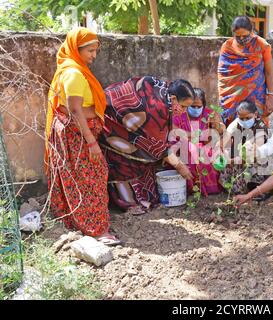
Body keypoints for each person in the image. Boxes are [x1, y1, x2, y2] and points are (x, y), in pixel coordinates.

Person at [45, 27, 119, 245]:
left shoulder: (75, 70)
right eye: (90, 51)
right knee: (91, 178)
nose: (94, 56)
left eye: (96, 51)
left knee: (80, 178)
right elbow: (75, 111)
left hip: (77, 133)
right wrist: (91, 142)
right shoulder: (74, 74)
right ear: (76, 49)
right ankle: (96, 230)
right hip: (78, 136)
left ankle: (79, 222)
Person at [100, 77, 194, 213]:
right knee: (123, 162)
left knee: (145, 160)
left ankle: (141, 196)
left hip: (128, 122)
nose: (184, 111)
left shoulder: (163, 91)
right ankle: (129, 202)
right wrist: (180, 166)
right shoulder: (156, 108)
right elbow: (159, 148)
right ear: (173, 98)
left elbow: (162, 131)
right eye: (184, 106)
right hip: (111, 122)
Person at [218, 15, 273, 126]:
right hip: (232, 99)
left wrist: (271, 97)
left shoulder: (261, 45)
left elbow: (269, 72)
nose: (241, 39)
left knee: (256, 131)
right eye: (237, 36)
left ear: (251, 31)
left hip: (256, 98)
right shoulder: (227, 47)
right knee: (233, 134)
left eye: (244, 35)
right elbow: (223, 75)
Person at [172, 88, 225, 196]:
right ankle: (194, 190)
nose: (196, 109)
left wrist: (217, 126)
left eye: (199, 107)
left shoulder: (210, 114)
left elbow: (219, 133)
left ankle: (212, 188)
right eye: (192, 106)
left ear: (204, 105)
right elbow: (174, 135)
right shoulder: (178, 116)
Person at [219, 100, 269, 197]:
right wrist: (226, 156)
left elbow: (254, 151)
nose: (245, 121)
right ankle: (234, 187)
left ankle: (255, 186)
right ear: (237, 116)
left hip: (256, 159)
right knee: (224, 160)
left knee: (249, 154)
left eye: (248, 118)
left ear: (255, 114)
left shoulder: (260, 127)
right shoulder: (235, 124)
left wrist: (235, 159)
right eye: (242, 118)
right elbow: (222, 144)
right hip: (238, 158)